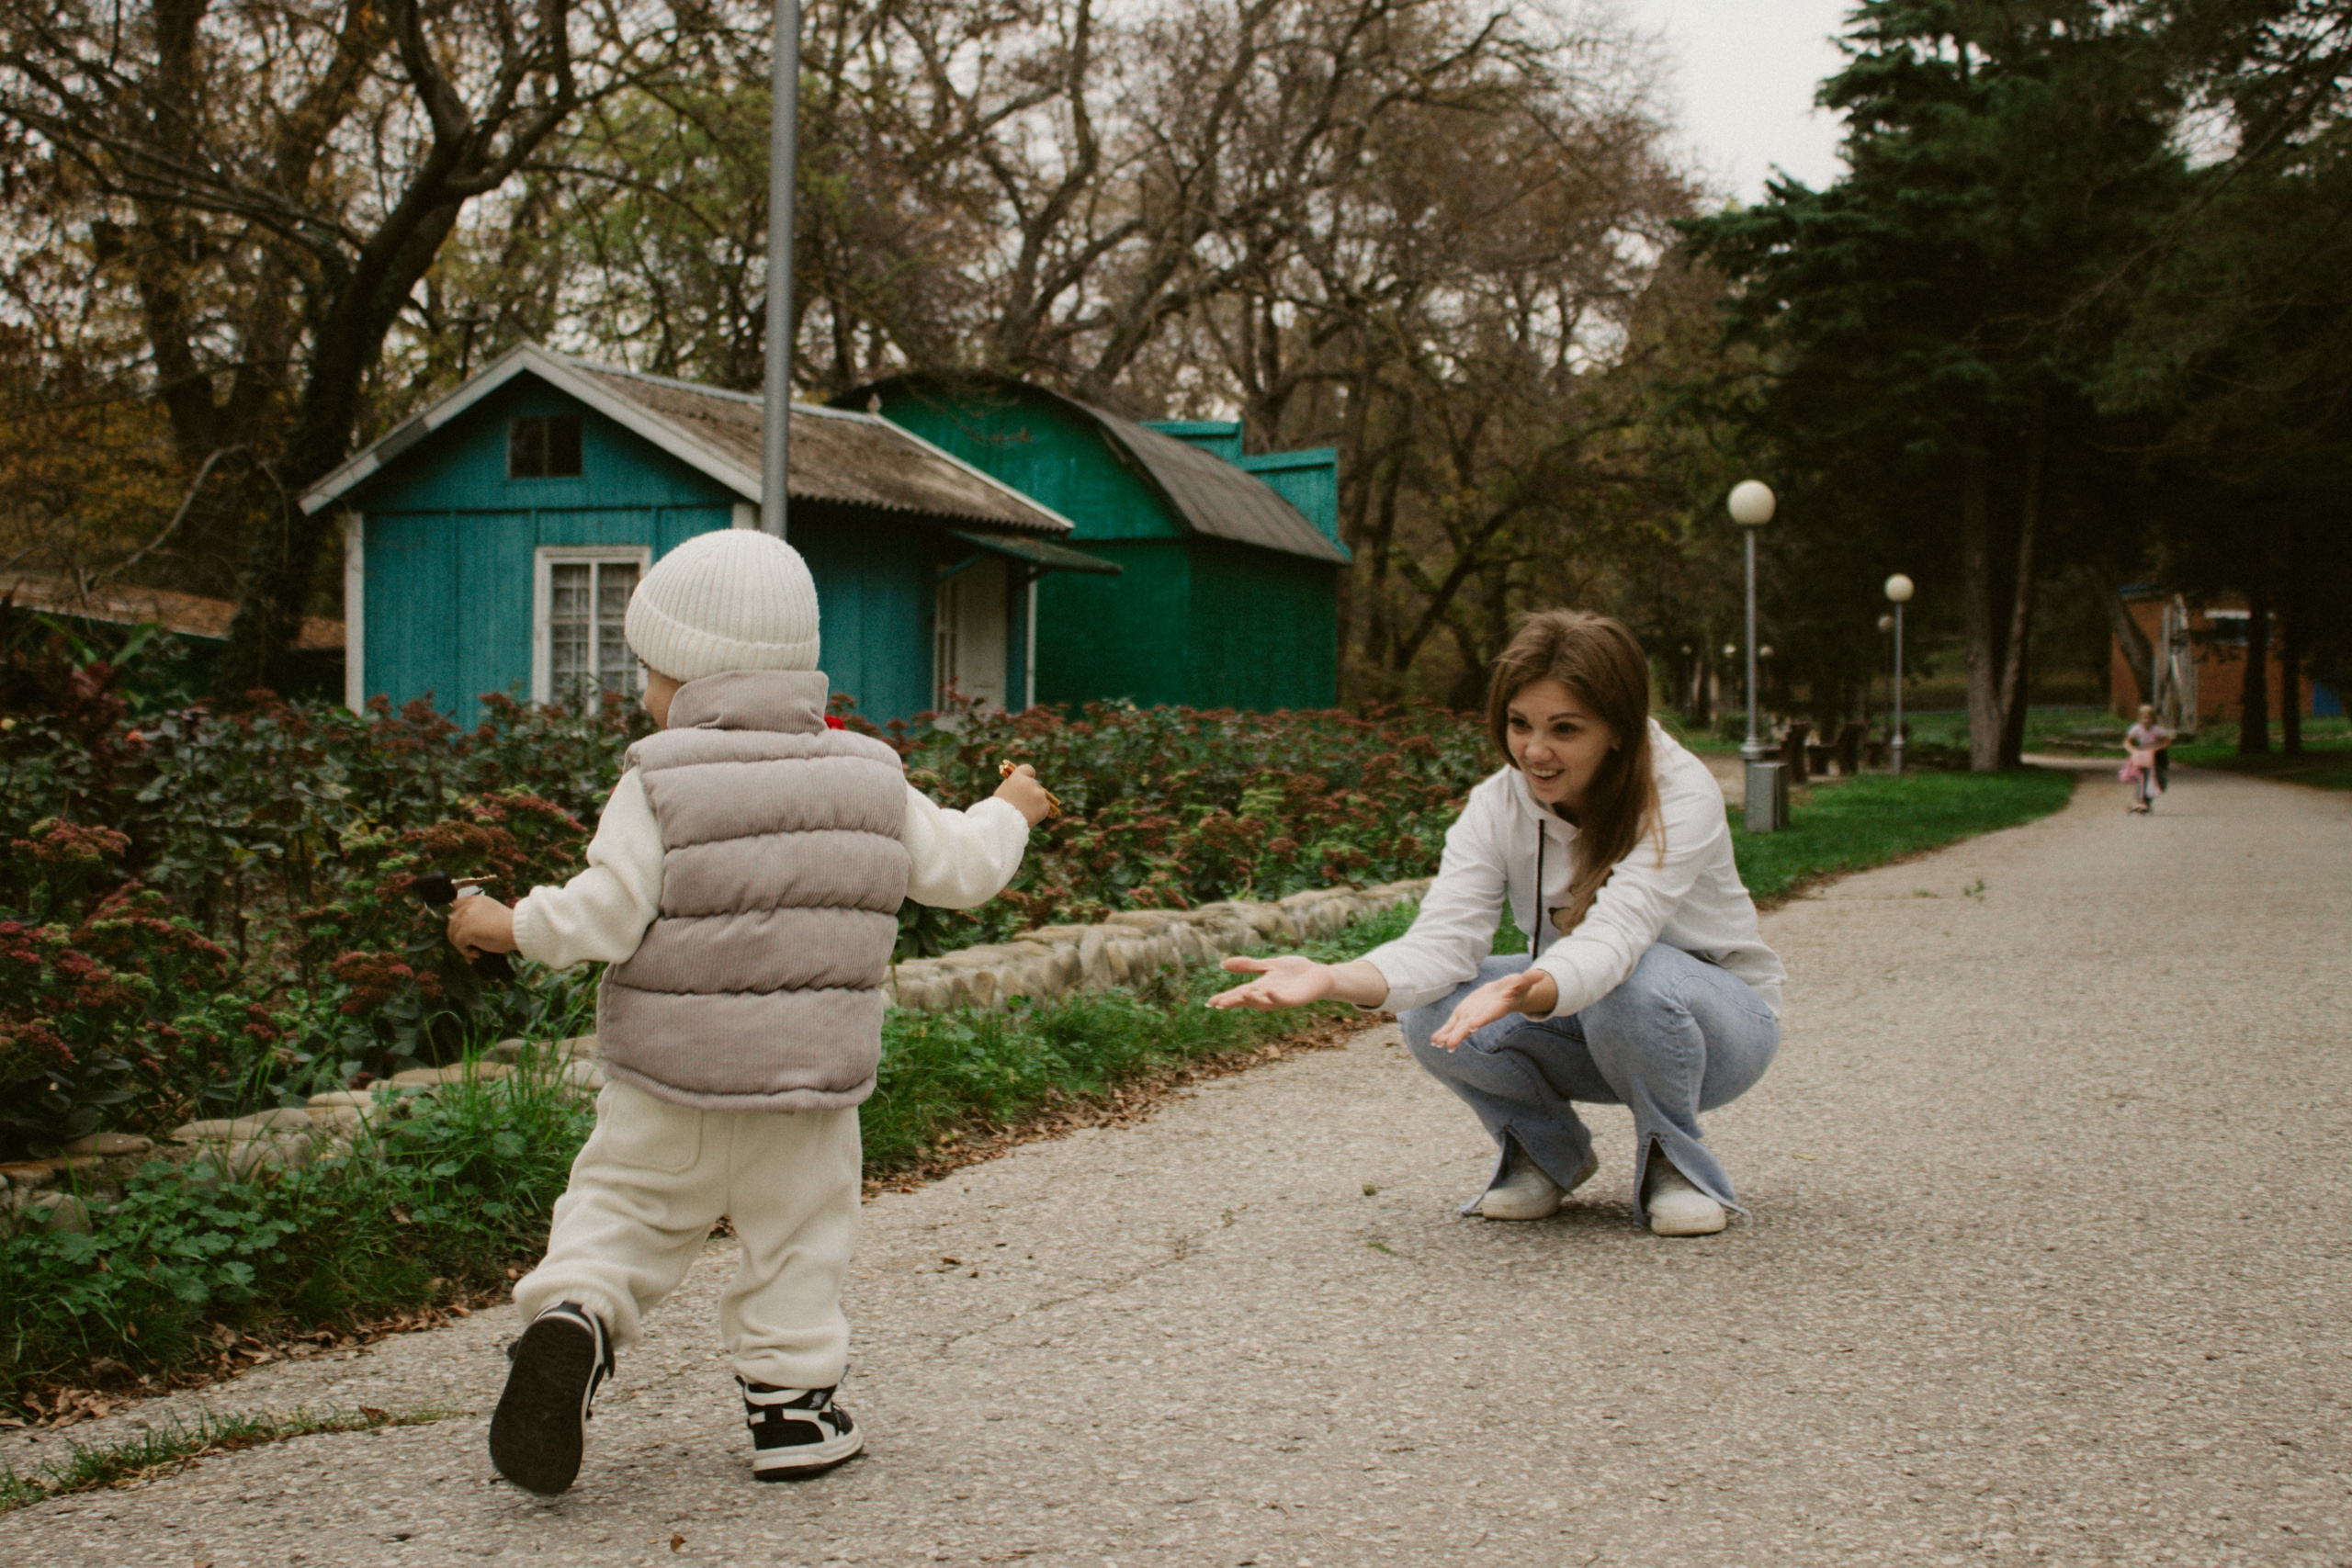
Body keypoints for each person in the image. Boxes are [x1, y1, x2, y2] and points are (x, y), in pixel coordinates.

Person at [446, 529, 1055, 1495]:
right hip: (807, 1088)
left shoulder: (655, 780)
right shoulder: (870, 774)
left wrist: (504, 924)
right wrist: (1009, 808)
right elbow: (964, 874)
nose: (643, 691)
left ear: (684, 675)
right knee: (800, 1239)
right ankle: (791, 1413)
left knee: (617, 1211)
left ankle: (576, 1317)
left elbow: (601, 915)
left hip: (667, 1078)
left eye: (648, 670)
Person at [1209, 610, 1784, 1236]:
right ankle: (1544, 1152)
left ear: (1617, 729)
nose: (1535, 750)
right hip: (1597, 1016)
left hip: (1718, 1030)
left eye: (1565, 728)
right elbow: (1441, 941)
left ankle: (1678, 1163)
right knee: (1433, 1007)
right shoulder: (1497, 803)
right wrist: (1331, 977)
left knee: (1633, 976)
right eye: (1520, 723)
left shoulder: (1680, 794)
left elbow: (1619, 935)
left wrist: (1531, 985)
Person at [2123, 703, 2171, 814]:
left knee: (2160, 780)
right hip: (2143, 756)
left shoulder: (2157, 730)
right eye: (2144, 718)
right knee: (2144, 777)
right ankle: (2142, 802)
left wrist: (2157, 748)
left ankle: (2144, 802)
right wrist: (2133, 749)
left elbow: (2167, 741)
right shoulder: (2136, 729)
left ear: (2153, 719)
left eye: (2149, 718)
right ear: (2139, 718)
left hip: (2157, 756)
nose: (2146, 720)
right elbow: (2127, 742)